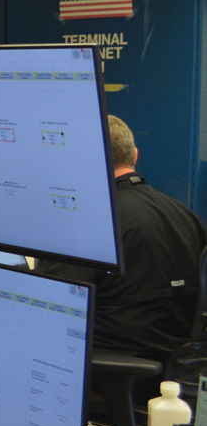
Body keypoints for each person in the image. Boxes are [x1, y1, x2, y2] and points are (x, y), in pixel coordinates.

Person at [35, 115, 207, 360]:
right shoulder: (187, 216)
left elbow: (49, 303)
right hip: (175, 367)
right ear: (135, 156)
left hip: (106, 364)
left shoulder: (88, 219)